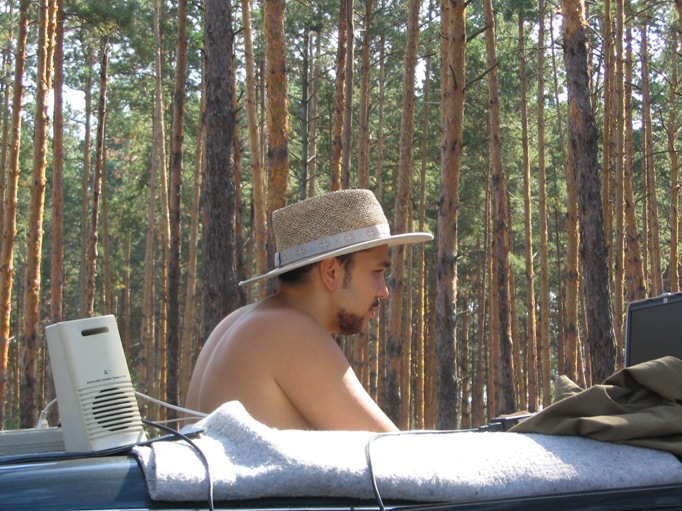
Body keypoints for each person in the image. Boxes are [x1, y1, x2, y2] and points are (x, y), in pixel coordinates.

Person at [185, 189, 433, 431]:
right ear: (331, 272)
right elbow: (389, 451)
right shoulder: (289, 331)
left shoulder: (236, 322)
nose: (384, 291)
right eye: (377, 272)